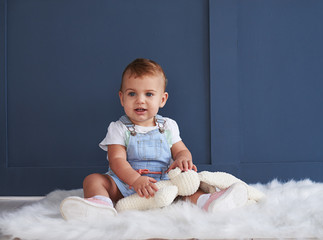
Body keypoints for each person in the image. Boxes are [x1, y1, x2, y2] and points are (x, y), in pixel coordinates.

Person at [60, 58, 248, 220]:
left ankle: (208, 202)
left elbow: (180, 149)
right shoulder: (118, 128)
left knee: (190, 186)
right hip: (126, 186)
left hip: (164, 185)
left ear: (162, 99)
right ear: (122, 98)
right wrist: (135, 180)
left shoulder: (167, 126)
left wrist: (183, 158)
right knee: (93, 180)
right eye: (132, 94)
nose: (140, 100)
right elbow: (116, 161)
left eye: (149, 94)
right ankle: (100, 207)